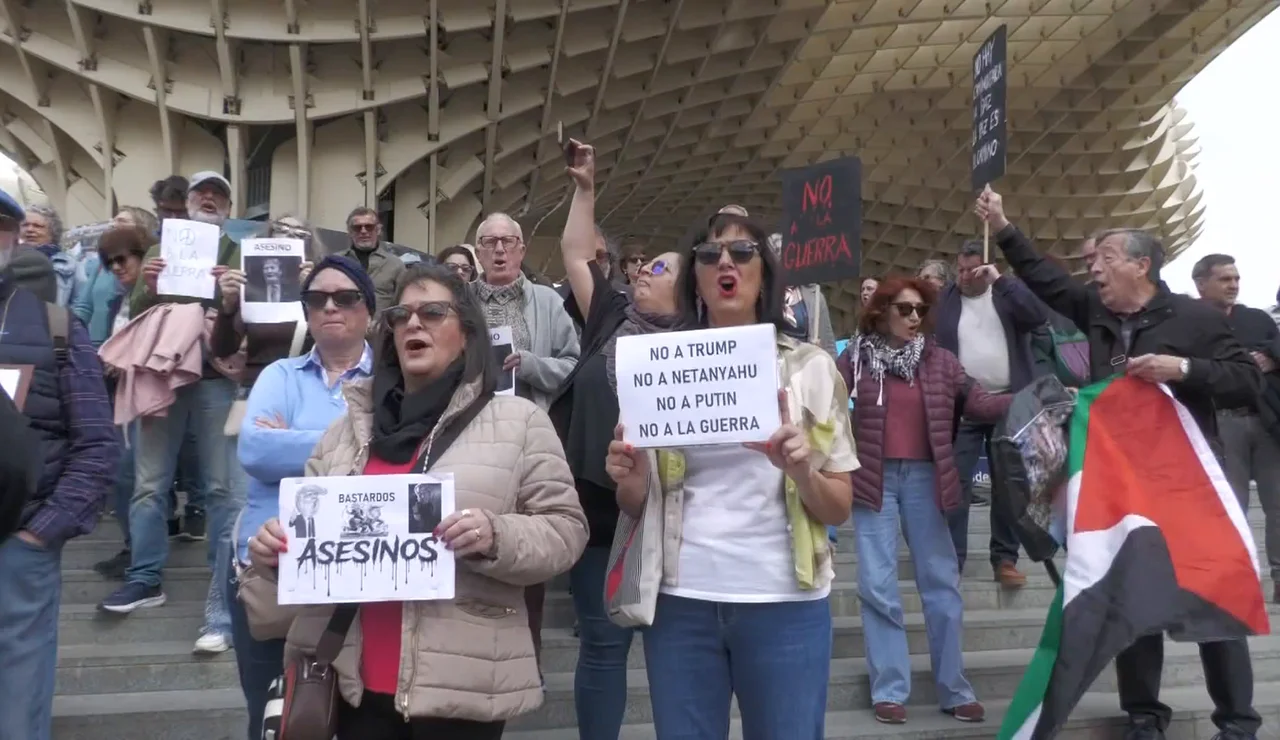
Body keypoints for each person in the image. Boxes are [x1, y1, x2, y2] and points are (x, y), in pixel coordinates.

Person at [248, 262, 588, 737]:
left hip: (461, 690)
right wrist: (274, 555)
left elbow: (566, 530)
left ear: (467, 333)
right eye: (400, 316)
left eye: (431, 312)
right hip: (351, 686)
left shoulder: (520, 421)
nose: (413, 324)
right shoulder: (343, 433)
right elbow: (307, 558)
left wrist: (496, 535)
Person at [976, 187, 1264, 740]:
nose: (1094, 268)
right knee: (1134, 598)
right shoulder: (1095, 309)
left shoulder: (1195, 318)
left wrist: (1183, 369)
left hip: (1187, 489)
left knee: (1215, 601)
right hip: (1125, 486)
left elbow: (1247, 382)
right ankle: (1144, 717)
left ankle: (1237, 723)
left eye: (1105, 258)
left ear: (1141, 265)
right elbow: (1045, 279)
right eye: (1093, 261)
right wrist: (1004, 225)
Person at [605, 211, 857, 739]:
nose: (726, 263)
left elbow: (838, 507)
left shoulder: (812, 367)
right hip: (680, 603)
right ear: (694, 278)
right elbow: (634, 502)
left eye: (743, 253)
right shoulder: (658, 369)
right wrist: (629, 474)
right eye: (709, 254)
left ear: (764, 274)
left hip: (784, 603)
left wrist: (802, 470)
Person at [549, 140, 686, 738]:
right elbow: (577, 254)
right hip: (599, 506)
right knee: (603, 646)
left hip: (678, 512)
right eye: (644, 266)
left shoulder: (708, 347)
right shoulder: (610, 316)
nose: (643, 272)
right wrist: (585, 190)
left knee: (675, 649)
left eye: (660, 269)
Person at [839, 276, 1013, 725]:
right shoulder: (855, 357)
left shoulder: (940, 361)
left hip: (926, 479)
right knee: (877, 585)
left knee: (941, 583)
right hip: (872, 479)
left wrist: (1030, 399)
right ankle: (889, 689)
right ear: (882, 312)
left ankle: (955, 689)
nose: (914, 317)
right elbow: (826, 402)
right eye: (904, 309)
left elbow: (978, 402)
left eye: (920, 309)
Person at [227, 254, 375, 739]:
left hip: (359, 572)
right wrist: (351, 440)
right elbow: (255, 450)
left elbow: (394, 458)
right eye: (317, 298)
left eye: (346, 297)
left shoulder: (390, 382)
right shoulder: (279, 374)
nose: (330, 307)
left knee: (354, 719)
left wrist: (291, 437)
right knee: (274, 717)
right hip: (272, 568)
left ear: (368, 310)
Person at [0, 188, 120, 740]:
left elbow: (96, 442)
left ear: (13, 238)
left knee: (16, 706)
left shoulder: (56, 327)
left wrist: (40, 533)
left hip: (18, 545)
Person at [933, 239, 1046, 584]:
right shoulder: (946, 300)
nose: (965, 276)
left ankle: (1005, 558)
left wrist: (1000, 280)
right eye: (960, 269)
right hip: (961, 405)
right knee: (955, 482)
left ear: (989, 267)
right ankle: (952, 558)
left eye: (973, 269)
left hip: (1009, 403)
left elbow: (1036, 316)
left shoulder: (1006, 294)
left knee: (1008, 483)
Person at [1191, 253, 1280, 602]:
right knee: (1230, 506)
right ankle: (1236, 579)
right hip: (1219, 424)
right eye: (1225, 279)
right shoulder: (1188, 319)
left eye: (1236, 279)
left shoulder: (1257, 319)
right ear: (1201, 284)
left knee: (1278, 505)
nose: (1233, 285)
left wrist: (1270, 355)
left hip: (1266, 422)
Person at [337, 207, 404, 313]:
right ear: (349, 232)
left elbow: (403, 304)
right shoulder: (336, 263)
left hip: (381, 323)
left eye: (369, 227)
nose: (363, 231)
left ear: (378, 230)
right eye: (357, 228)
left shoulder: (395, 265)